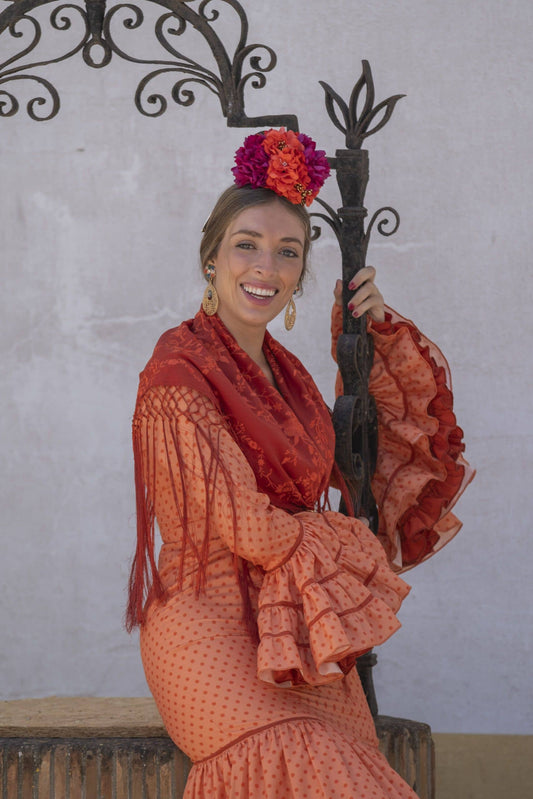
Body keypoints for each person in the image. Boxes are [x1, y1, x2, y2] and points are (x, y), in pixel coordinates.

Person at [126, 128, 474, 798]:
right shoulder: (177, 370)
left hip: (291, 628)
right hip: (207, 626)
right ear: (211, 260)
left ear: (298, 276)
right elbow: (254, 532)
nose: (266, 265)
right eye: (246, 245)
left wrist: (370, 339)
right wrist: (340, 538)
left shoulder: (287, 376)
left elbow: (347, 468)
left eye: (287, 252)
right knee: (309, 761)